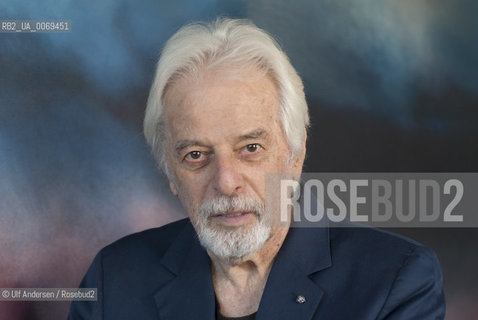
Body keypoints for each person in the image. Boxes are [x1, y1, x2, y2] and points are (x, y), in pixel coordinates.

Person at [68, 18, 445, 319]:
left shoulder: (396, 282)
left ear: (295, 155)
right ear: (169, 171)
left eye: (250, 148)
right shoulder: (113, 282)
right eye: (196, 155)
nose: (226, 182)